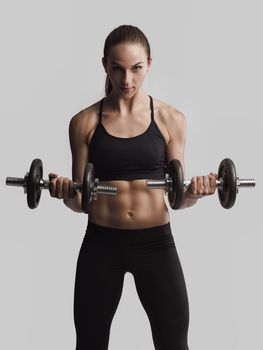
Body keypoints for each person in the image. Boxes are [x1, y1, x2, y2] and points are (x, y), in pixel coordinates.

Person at [49, 24, 217, 350]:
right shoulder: (83, 122)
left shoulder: (171, 119)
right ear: (105, 65)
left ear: (149, 64)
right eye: (118, 69)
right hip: (101, 244)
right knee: (90, 343)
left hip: (156, 245)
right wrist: (64, 192)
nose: (127, 80)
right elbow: (82, 201)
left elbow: (178, 199)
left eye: (136, 69)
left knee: (174, 344)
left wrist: (196, 190)